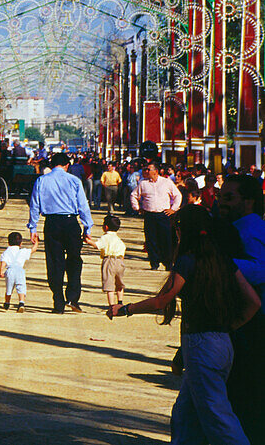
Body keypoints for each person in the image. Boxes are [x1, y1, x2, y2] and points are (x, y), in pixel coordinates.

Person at [108, 206, 260, 445]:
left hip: (201, 344)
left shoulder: (188, 261)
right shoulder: (222, 260)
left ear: (182, 229)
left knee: (218, 416)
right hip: (221, 343)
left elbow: (162, 300)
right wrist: (230, 327)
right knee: (185, 413)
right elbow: (253, 302)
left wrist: (126, 309)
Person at [213, 175, 265, 443]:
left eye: (229, 197)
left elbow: (261, 268)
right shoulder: (236, 226)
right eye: (220, 196)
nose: (222, 202)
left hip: (252, 323)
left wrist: (219, 264)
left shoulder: (251, 228)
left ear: (248, 201)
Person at [28, 152, 94, 313]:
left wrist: (33, 228)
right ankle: (72, 297)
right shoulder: (74, 180)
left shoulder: (42, 180)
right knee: (74, 259)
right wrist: (87, 227)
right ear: (66, 165)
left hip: (52, 224)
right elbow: (83, 205)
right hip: (71, 223)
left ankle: (58, 301)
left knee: (54, 261)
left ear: (51, 165)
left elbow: (34, 205)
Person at [131, 162, 183, 270]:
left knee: (166, 239)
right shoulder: (143, 183)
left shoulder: (166, 182)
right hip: (149, 214)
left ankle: (168, 263)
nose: (146, 172)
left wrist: (173, 209)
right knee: (151, 239)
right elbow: (134, 195)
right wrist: (137, 208)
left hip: (164, 215)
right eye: (145, 169)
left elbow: (178, 195)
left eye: (148, 169)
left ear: (156, 171)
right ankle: (154, 263)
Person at [86, 213, 126, 311]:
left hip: (109, 260)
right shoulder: (118, 239)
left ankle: (111, 305)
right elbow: (123, 250)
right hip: (120, 261)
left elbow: (97, 245)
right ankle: (120, 301)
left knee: (109, 283)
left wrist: (88, 241)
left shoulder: (106, 237)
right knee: (119, 283)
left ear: (106, 227)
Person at [0, 231, 35, 312]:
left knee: (9, 287)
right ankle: (21, 303)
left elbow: (3, 261)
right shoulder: (23, 251)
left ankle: (7, 302)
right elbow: (33, 250)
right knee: (21, 287)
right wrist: (36, 242)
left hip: (10, 271)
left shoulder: (7, 252)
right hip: (20, 270)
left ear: (8, 243)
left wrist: (1, 270)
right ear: (20, 243)